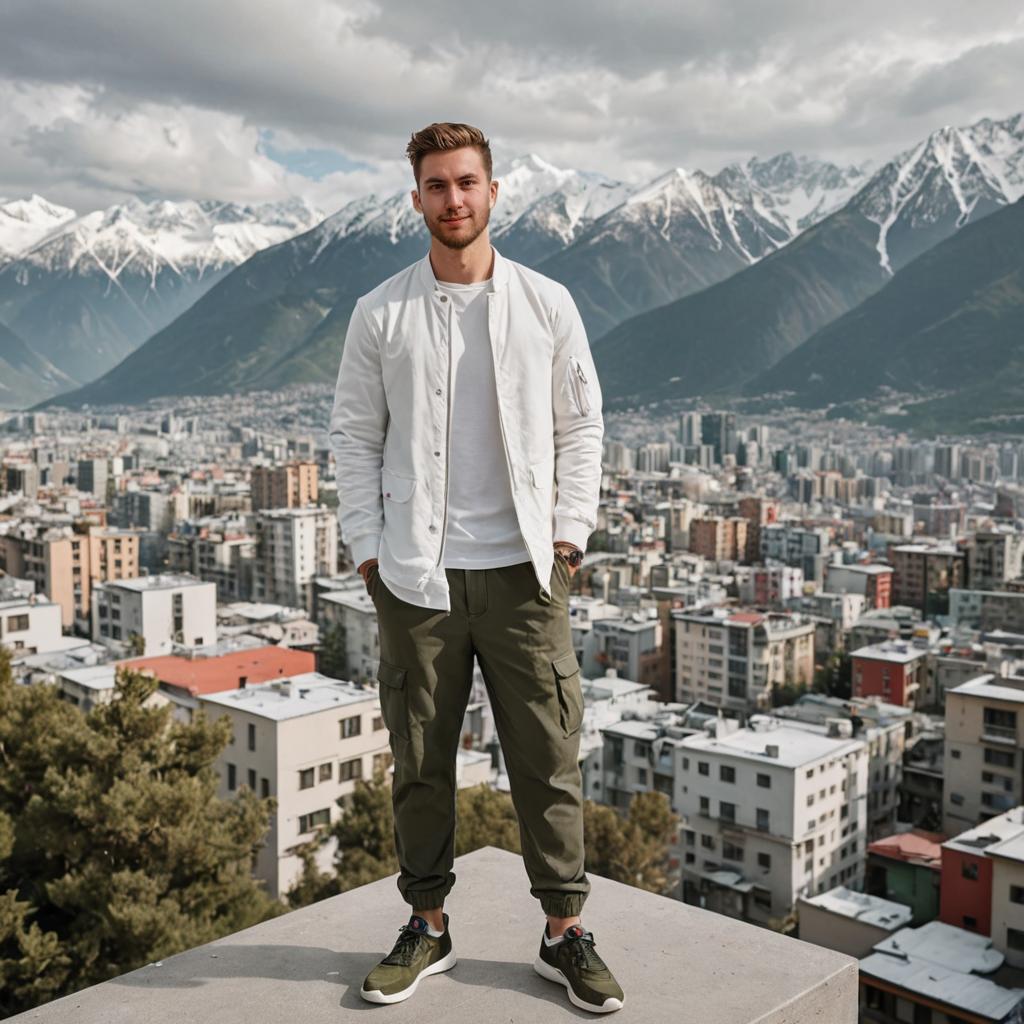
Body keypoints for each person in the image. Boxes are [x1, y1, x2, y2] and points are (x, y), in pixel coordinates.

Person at [328, 122, 622, 1014]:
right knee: (419, 760)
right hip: (415, 578)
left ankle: (564, 932)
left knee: (548, 756)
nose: (453, 199)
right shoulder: (380, 312)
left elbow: (582, 428)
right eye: (435, 185)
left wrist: (569, 539)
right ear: (414, 198)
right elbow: (351, 437)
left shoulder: (547, 304)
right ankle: (428, 925)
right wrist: (369, 551)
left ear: (493, 192)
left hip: (528, 574)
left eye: (466, 182)